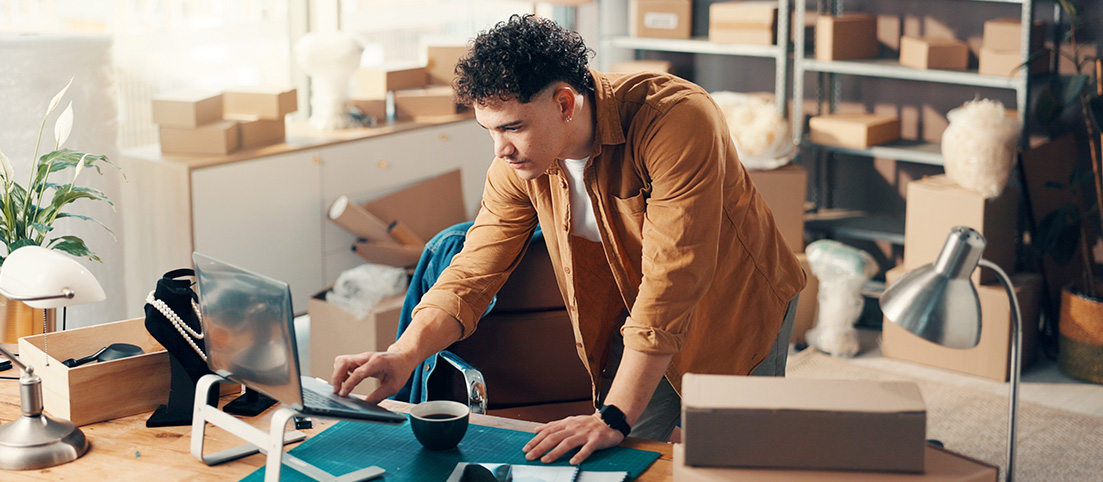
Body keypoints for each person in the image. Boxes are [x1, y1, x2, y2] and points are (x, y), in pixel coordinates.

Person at [332, 13, 806, 466]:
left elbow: (674, 277)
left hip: (736, 305)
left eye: (513, 127)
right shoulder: (517, 166)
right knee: (619, 457)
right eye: (489, 131)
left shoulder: (675, 118)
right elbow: (473, 271)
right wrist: (403, 354)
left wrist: (614, 416)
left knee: (734, 459)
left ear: (564, 104)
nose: (501, 149)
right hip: (638, 310)